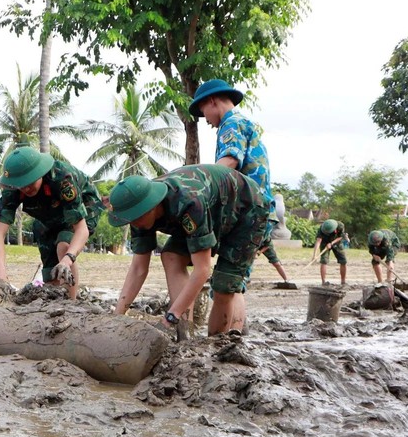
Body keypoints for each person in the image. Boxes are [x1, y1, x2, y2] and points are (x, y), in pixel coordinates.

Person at [109, 164, 269, 336]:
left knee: (224, 284)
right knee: (171, 256)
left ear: (152, 205)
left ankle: (216, 345)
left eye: (137, 217)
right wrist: (118, 315)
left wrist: (171, 317)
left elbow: (202, 270)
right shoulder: (137, 214)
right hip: (210, 209)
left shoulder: (189, 202)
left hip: (246, 209)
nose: (135, 224)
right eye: (130, 219)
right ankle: (186, 333)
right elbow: (138, 268)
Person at [190, 79, 280, 282]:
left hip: (248, 212)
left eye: (203, 112)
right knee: (233, 283)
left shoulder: (231, 124)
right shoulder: (243, 122)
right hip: (257, 211)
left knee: (226, 286)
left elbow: (230, 160)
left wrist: (198, 186)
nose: (206, 120)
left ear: (212, 101)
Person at [0, 148, 103, 299]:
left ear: (40, 173)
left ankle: (71, 304)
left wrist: (66, 260)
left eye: (30, 182)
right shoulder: (12, 189)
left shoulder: (62, 179)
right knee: (51, 276)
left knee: (64, 246)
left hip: (84, 207)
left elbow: (81, 230)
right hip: (47, 214)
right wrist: (2, 279)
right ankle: (54, 303)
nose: (26, 188)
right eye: (21, 185)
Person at [310, 219, 348, 286]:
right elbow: (318, 241)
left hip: (337, 242)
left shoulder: (340, 226)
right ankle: (323, 282)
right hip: (324, 242)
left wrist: (331, 243)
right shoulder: (322, 229)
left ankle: (343, 281)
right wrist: (314, 255)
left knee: (343, 261)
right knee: (323, 261)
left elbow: (340, 237)